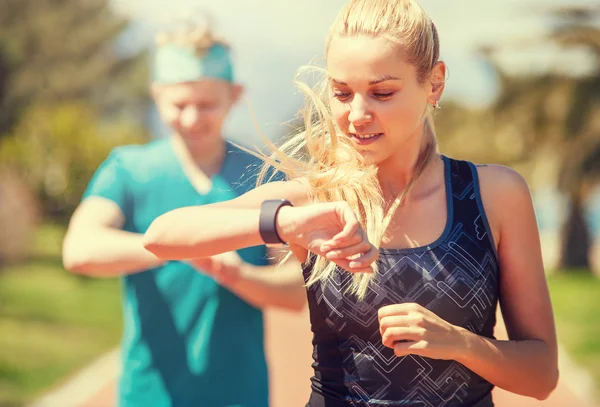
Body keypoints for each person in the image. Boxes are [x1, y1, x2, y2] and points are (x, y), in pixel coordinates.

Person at [142, 1, 559, 406]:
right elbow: (162, 236)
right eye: (342, 94)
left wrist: (461, 343)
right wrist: (283, 225)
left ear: (434, 83)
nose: (357, 114)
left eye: (382, 93)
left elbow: (542, 374)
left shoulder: (496, 194)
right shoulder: (315, 197)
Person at [62, 18, 306, 407]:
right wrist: (179, 245)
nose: (193, 119)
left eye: (207, 104)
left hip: (241, 394)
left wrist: (236, 275)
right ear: (156, 96)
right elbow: (79, 249)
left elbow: (296, 293)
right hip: (149, 393)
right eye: (179, 105)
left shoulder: (264, 175)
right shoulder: (128, 169)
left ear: (235, 95)